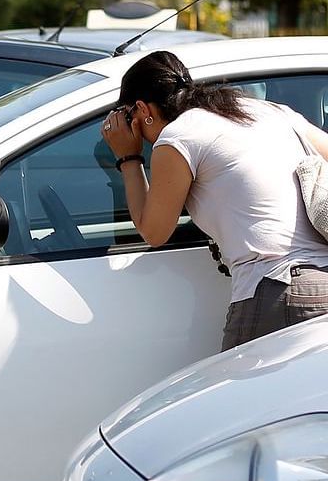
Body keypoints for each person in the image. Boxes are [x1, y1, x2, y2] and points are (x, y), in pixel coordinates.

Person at [101, 50, 328, 350]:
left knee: (235, 395)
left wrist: (128, 157)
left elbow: (154, 231)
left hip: (277, 288)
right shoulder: (266, 111)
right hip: (321, 280)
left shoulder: (178, 136)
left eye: (128, 119)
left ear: (142, 109)